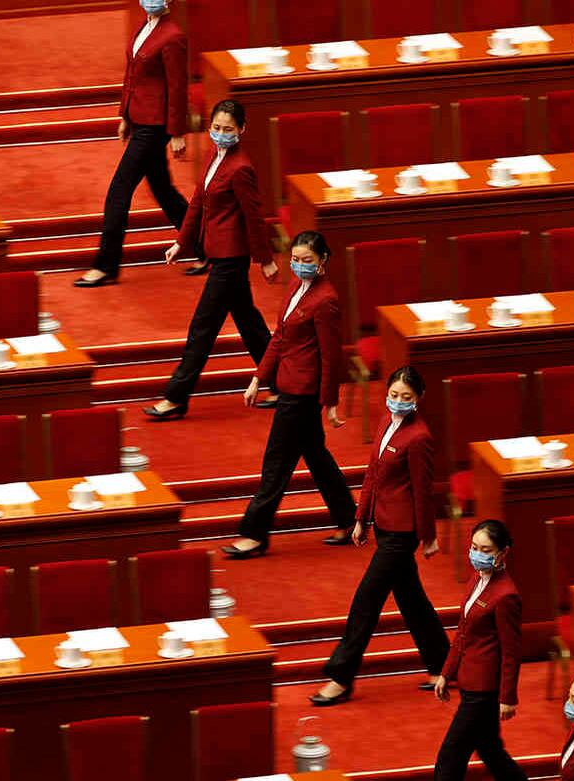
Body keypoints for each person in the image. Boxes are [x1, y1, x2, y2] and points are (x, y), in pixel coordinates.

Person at [310, 366, 449, 705]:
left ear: (418, 399)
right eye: (394, 394)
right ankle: (444, 664)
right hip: (384, 524)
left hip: (402, 532)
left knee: (366, 600)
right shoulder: (387, 421)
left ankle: (341, 676)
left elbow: (422, 491)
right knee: (411, 598)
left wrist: (428, 536)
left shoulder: (419, 437)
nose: (398, 401)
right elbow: (373, 472)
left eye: (406, 397)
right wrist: (361, 518)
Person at [222, 231, 356, 559]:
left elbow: (330, 356)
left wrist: (330, 401)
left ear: (323, 261)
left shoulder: (326, 300)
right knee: (316, 456)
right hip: (288, 384)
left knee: (276, 463)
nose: (298, 265)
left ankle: (255, 533)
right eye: (295, 259)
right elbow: (280, 337)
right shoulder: (296, 286)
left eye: (306, 260)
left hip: (302, 393)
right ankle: (348, 518)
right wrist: (258, 378)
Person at [143, 99, 279, 420]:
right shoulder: (212, 155)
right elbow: (197, 201)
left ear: (242, 129)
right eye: (216, 127)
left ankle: (176, 397)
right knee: (248, 321)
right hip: (218, 252)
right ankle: (281, 381)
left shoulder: (241, 168)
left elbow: (253, 217)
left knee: (202, 328)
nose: (220, 133)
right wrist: (182, 242)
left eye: (227, 129)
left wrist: (266, 259)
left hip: (232, 258)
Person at [75, 0, 191, 288]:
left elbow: (178, 87)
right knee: (162, 189)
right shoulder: (144, 27)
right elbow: (132, 76)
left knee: (119, 190)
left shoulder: (173, 36)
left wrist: (178, 132)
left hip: (155, 126)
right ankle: (205, 245)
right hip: (139, 119)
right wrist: (125, 116)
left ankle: (106, 266)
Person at [433, 519, 527, 781]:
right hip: (468, 679)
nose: (477, 554)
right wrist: (446, 673)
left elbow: (511, 651)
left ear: (503, 552)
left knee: (450, 756)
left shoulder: (506, 595)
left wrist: (507, 697)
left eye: (485, 550)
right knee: (490, 751)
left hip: (483, 690)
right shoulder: (477, 578)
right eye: (474, 547)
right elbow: (463, 631)